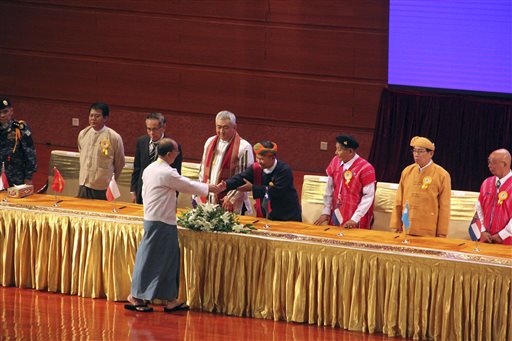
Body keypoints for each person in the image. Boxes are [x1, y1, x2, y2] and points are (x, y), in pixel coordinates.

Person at [126, 138, 225, 313]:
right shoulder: (166, 172)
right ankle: (136, 296)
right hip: (159, 221)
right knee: (149, 259)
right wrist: (211, 188)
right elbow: (187, 185)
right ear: (170, 154)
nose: (177, 155)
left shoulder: (151, 168)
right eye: (176, 152)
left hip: (160, 219)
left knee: (169, 260)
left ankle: (170, 299)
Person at [221, 141, 301, 222]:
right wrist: (225, 185)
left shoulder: (284, 170)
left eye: (262, 159)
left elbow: (277, 191)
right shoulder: (256, 168)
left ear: (272, 158)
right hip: (267, 216)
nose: (259, 162)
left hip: (287, 215)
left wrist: (253, 188)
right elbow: (241, 178)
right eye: (257, 158)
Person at [389, 136, 451, 237]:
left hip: (428, 229)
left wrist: (442, 232)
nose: (416, 154)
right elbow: (398, 200)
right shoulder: (407, 171)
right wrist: (396, 225)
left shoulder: (442, 174)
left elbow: (445, 206)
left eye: (420, 151)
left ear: (431, 153)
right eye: (414, 151)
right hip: (406, 227)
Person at [195, 110, 253, 214]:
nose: (221, 131)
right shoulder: (210, 142)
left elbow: (244, 177)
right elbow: (203, 169)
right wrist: (201, 189)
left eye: (225, 127)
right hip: (210, 199)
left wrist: (231, 197)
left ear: (234, 127)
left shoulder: (244, 147)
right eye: (219, 127)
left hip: (231, 201)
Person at [314, 135, 376, 228]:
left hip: (354, 216)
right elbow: (329, 188)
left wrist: (355, 218)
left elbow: (368, 196)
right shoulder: (335, 161)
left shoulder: (366, 168)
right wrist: (326, 211)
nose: (336, 153)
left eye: (339, 150)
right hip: (336, 212)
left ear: (350, 151)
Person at [130, 112, 183, 204]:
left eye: (155, 129)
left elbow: (176, 174)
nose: (151, 133)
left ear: (163, 127)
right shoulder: (141, 142)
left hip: (162, 194)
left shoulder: (173, 146)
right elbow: (137, 168)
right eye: (148, 129)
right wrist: (133, 191)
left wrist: (174, 197)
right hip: (142, 191)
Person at [77, 103, 125, 200]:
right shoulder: (83, 134)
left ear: (105, 118)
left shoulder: (114, 137)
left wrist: (111, 179)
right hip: (84, 183)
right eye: (91, 115)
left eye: (97, 116)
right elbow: (81, 152)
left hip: (103, 186)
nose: (93, 119)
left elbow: (120, 162)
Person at [476, 149, 512, 245]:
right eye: (489, 162)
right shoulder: (486, 183)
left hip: (508, 242)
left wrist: (502, 235)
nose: (489, 166)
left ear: (504, 164)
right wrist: (482, 230)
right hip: (486, 240)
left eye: (493, 163)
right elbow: (479, 209)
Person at [0, 97, 37, 186]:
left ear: (11, 111)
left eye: (5, 112)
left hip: (16, 176)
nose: (2, 115)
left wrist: (28, 177)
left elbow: (30, 154)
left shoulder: (20, 127)